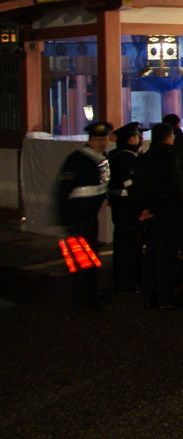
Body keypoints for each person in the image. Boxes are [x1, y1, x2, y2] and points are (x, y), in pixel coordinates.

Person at [55, 121, 114, 311]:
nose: (102, 143)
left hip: (90, 217)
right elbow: (64, 190)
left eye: (104, 138)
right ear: (90, 140)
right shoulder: (77, 159)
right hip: (77, 218)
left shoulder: (102, 158)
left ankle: (91, 296)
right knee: (81, 263)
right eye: (97, 139)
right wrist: (67, 221)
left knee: (91, 259)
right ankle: (82, 301)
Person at [131, 123, 183, 309]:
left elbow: (135, 189)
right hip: (168, 214)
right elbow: (176, 191)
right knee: (167, 258)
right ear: (169, 137)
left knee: (150, 256)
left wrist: (145, 210)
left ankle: (148, 296)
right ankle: (164, 298)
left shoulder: (142, 159)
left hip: (148, 214)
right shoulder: (171, 159)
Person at [106, 122, 143, 293]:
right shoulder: (126, 158)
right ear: (130, 138)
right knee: (128, 245)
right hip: (128, 207)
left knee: (123, 244)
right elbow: (131, 185)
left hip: (119, 205)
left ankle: (123, 280)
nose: (140, 138)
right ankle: (127, 282)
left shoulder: (115, 155)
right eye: (137, 135)